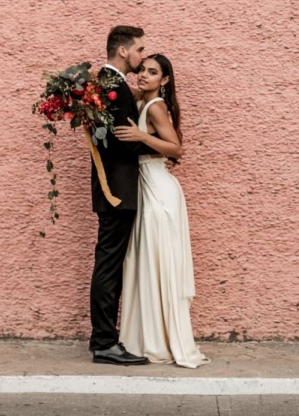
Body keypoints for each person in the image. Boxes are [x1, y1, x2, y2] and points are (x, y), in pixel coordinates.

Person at [114, 54, 209, 368]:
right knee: (146, 263)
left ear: (164, 81)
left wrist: (141, 136)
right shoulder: (141, 104)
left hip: (159, 193)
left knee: (158, 263)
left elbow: (176, 147)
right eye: (142, 69)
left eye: (153, 72)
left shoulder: (155, 107)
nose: (143, 75)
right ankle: (149, 337)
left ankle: (163, 340)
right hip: (146, 188)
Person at [88, 26, 151, 366]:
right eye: (139, 49)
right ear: (123, 51)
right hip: (116, 191)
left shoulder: (107, 84)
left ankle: (104, 340)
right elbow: (122, 138)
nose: (142, 56)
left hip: (114, 188)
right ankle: (104, 342)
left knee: (108, 263)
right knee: (109, 265)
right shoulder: (112, 87)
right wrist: (158, 142)